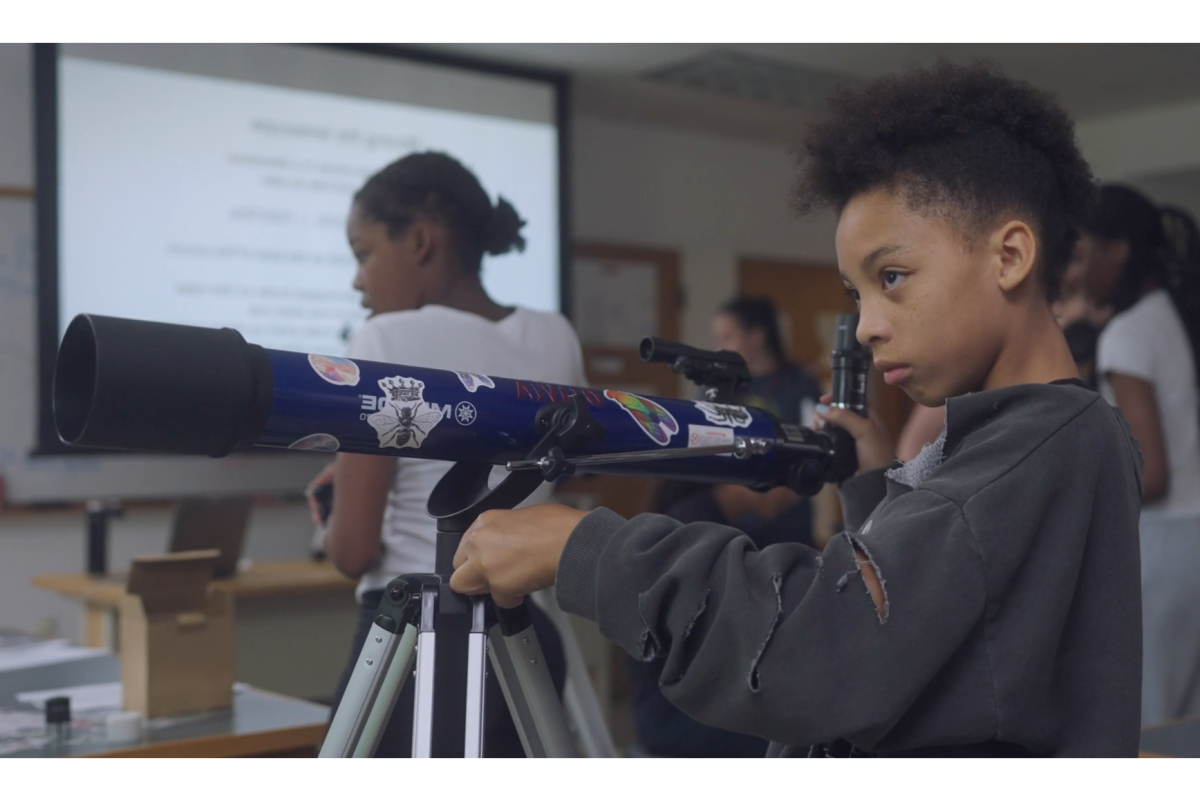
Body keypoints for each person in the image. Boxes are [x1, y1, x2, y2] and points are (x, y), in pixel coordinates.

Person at [448, 61, 1145, 758]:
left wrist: (583, 548)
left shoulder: (1031, 448)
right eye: (856, 294)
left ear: (1011, 254)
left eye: (892, 277)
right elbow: (963, 644)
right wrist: (878, 491)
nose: (869, 324)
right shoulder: (1064, 435)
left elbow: (823, 648)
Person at [310, 151, 585, 758]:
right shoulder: (555, 334)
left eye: (363, 253)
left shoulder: (383, 339)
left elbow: (353, 552)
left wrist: (329, 517)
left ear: (419, 240)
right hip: (525, 636)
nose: (358, 280)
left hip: (414, 644)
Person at [1078, 185, 1200, 726]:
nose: (1078, 274)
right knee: (1184, 722)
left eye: (1083, 255)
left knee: (1145, 721)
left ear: (1117, 250)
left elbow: (1151, 472)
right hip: (1191, 538)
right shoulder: (1166, 316)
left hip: (1164, 547)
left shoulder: (1127, 333)